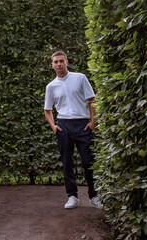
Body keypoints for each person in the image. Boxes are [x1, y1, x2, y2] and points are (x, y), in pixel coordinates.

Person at [44, 51, 103, 210]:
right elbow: (47, 110)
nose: (58, 64)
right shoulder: (51, 86)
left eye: (61, 61)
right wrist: (54, 126)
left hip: (83, 125)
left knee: (88, 162)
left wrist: (93, 122)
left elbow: (92, 100)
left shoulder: (80, 78)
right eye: (55, 62)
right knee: (67, 162)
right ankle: (72, 197)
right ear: (52, 65)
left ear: (67, 62)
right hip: (64, 126)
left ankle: (94, 196)